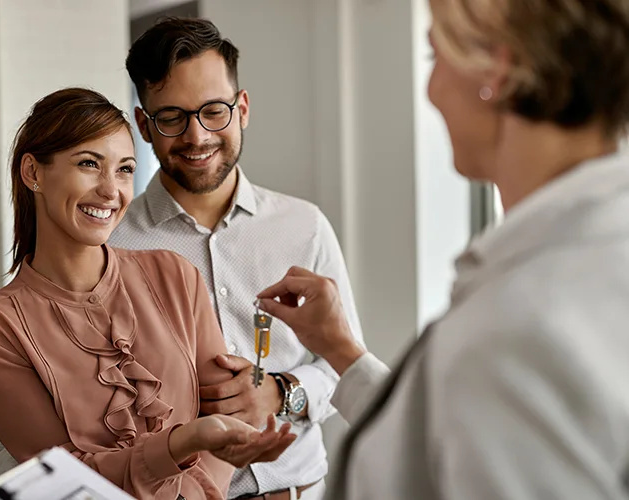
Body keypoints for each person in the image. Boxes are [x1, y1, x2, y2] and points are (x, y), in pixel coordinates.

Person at [256, 0, 629, 498]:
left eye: (435, 58)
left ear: (496, 67)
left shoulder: (522, 325)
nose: (431, 92)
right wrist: (341, 351)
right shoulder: (591, 258)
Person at [0, 87, 296, 500]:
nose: (110, 191)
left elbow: (220, 417)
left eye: (125, 169)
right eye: (88, 164)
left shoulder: (175, 275)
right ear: (33, 173)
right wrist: (182, 443)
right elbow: (62, 477)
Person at [108, 17, 374, 500]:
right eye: (171, 117)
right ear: (144, 126)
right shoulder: (111, 243)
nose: (197, 136)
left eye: (214, 111)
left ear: (242, 108)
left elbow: (343, 361)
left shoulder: (304, 225)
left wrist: (281, 392)